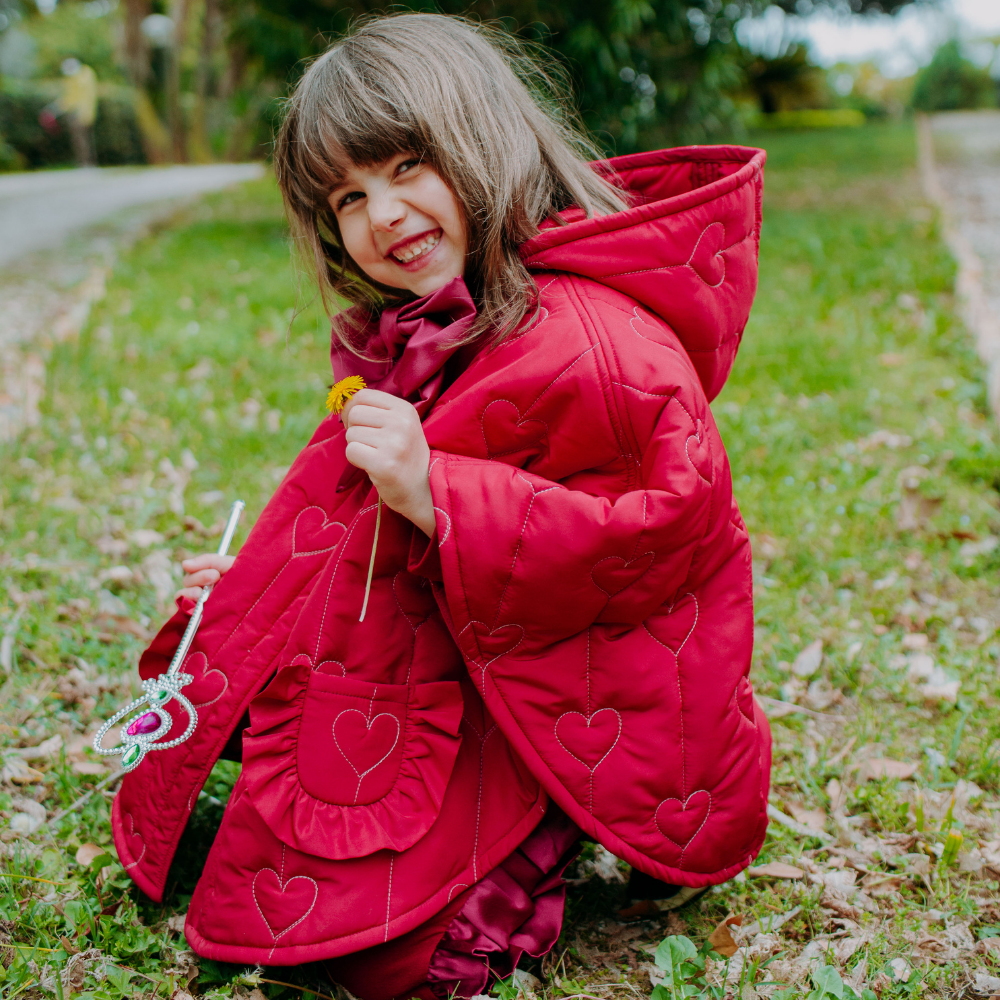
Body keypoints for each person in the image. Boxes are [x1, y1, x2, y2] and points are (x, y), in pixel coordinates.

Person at [112, 14, 771, 998]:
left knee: (396, 953)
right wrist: (278, 587)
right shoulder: (438, 321)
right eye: (347, 195)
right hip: (471, 651)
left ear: (484, 141)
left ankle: (533, 847)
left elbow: (656, 533)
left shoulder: (594, 341)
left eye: (407, 164)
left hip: (577, 689)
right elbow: (374, 522)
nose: (383, 213)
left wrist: (439, 492)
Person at [58, 58, 98, 167]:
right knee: (82, 139)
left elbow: (76, 98)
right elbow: (69, 97)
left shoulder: (82, 77)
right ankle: (85, 162)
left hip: (80, 113)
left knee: (82, 139)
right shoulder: (77, 77)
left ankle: (86, 162)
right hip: (80, 112)